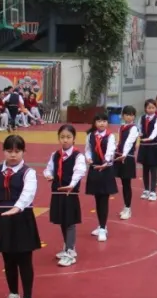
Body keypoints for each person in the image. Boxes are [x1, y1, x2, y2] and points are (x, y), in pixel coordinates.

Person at [0, 134, 40, 298]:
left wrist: (17, 208)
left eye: (17, 151)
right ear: (4, 151)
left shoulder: (28, 173)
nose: (13, 155)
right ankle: (13, 294)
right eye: (9, 151)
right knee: (8, 259)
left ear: (23, 152)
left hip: (22, 218)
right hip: (2, 218)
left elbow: (28, 194)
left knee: (24, 259)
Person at [43, 124, 86, 267]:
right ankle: (67, 246)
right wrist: (48, 175)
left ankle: (70, 250)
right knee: (61, 220)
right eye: (62, 137)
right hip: (57, 192)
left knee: (70, 222)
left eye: (68, 137)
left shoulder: (78, 156)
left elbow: (79, 171)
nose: (65, 140)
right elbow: (48, 169)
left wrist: (72, 184)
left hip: (69, 193)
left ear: (74, 139)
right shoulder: (55, 155)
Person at [85, 113, 117, 242]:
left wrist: (106, 162)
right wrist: (88, 158)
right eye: (98, 121)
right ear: (94, 123)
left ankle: (103, 228)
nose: (101, 123)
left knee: (104, 199)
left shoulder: (110, 136)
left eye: (104, 121)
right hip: (94, 169)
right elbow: (87, 150)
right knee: (97, 198)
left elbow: (111, 150)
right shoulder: (90, 136)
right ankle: (100, 224)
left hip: (106, 169)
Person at [136, 99, 157, 201]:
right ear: (145, 108)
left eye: (153, 107)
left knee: (153, 168)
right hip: (144, 146)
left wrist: (150, 137)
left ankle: (153, 191)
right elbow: (139, 128)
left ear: (155, 108)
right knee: (145, 169)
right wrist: (139, 133)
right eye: (149, 108)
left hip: (153, 145)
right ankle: (146, 189)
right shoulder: (142, 118)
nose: (151, 109)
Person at [114, 105, 139, 220]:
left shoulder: (133, 128)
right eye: (127, 114)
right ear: (123, 116)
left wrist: (123, 155)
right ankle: (125, 206)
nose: (129, 117)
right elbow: (119, 142)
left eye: (131, 115)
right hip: (119, 156)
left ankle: (128, 208)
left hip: (127, 157)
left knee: (127, 184)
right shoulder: (121, 127)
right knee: (123, 183)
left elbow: (129, 142)